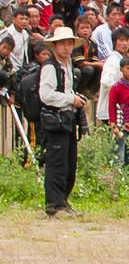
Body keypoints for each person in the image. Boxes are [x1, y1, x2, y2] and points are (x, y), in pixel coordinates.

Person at [38, 26, 87, 216]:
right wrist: (70, 99)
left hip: (68, 118)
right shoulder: (50, 66)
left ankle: (63, 201)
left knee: (69, 163)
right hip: (55, 119)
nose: (66, 48)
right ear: (55, 46)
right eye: (62, 44)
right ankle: (54, 205)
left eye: (69, 44)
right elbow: (45, 95)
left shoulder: (69, 66)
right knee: (56, 164)